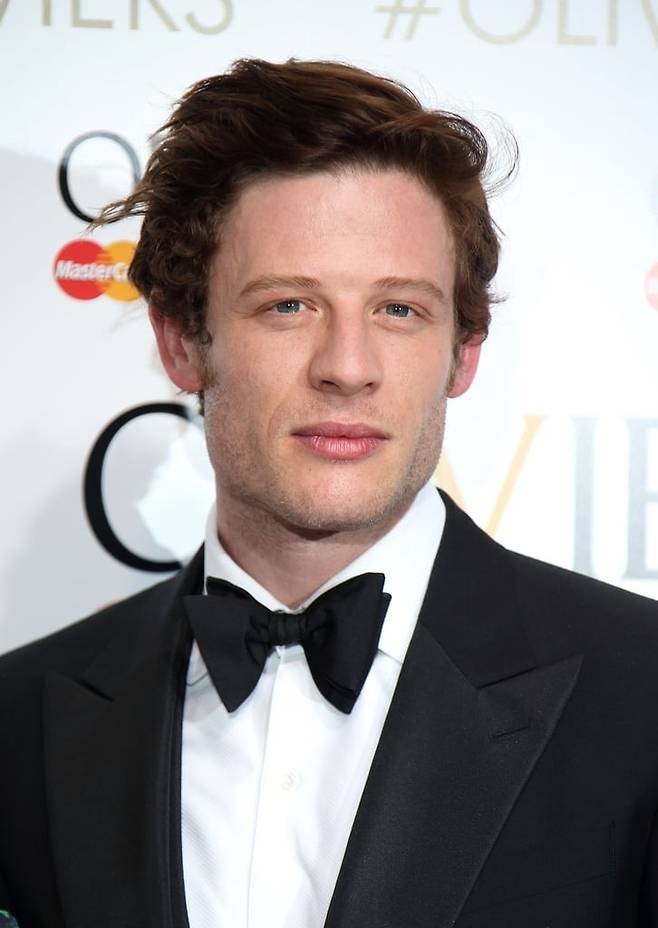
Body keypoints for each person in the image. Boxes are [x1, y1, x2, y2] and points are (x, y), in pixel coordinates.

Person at [0, 58, 657, 928]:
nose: (348, 368)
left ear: (463, 353)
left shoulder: (641, 692)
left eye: (399, 310)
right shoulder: (19, 720)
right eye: (288, 306)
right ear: (182, 341)